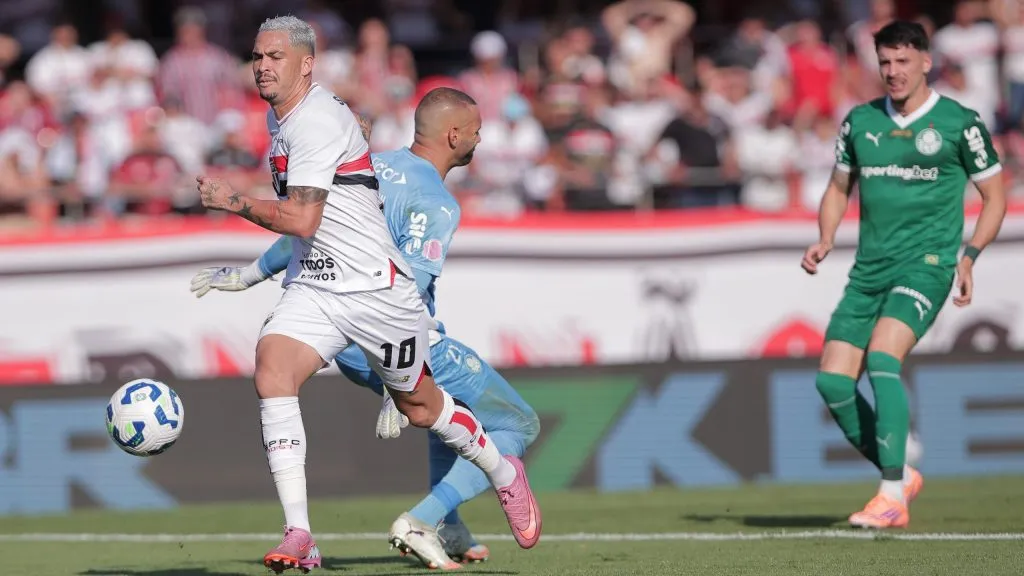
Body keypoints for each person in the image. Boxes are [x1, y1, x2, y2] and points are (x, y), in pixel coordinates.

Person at [195, 16, 541, 573]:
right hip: (321, 286)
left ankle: (502, 473)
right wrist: (250, 273)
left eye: (274, 57)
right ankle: (300, 534)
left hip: (379, 296)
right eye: (257, 56)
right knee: (272, 369)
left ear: (306, 64)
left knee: (423, 407)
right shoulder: (291, 119)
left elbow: (301, 217)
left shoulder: (324, 128)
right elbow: (314, 221)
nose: (261, 66)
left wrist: (237, 212)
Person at [801, 20, 1006, 529]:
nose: (892, 72)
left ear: (926, 62)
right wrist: (826, 237)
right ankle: (900, 475)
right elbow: (836, 188)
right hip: (869, 268)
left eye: (902, 62)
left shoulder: (959, 123)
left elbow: (996, 197)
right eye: (885, 62)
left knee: (882, 356)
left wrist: (970, 255)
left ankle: (891, 495)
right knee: (831, 382)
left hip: (928, 265)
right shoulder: (860, 123)